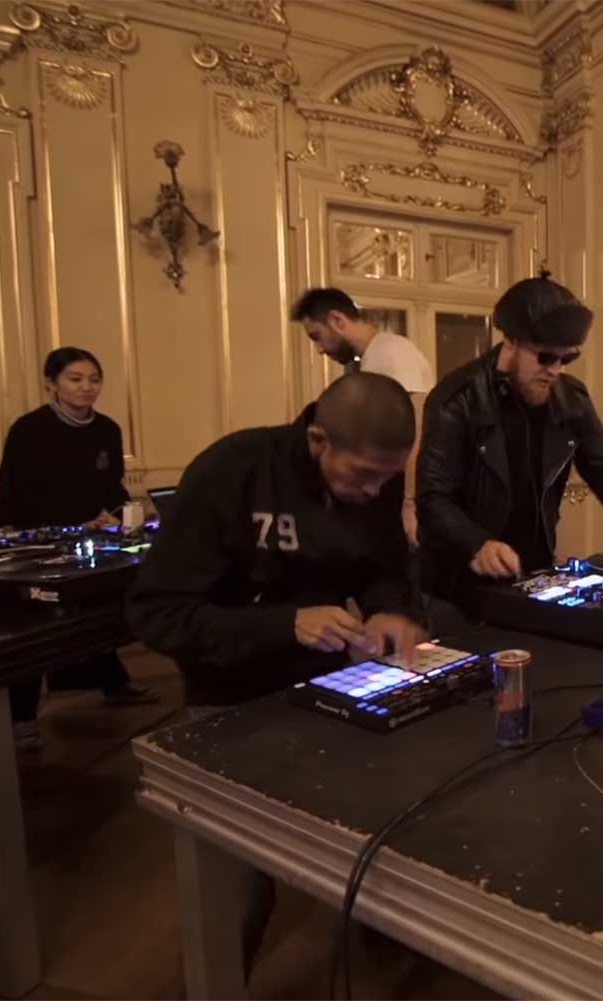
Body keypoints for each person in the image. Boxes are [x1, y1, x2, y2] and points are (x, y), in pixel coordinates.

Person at [127, 372, 426, 978]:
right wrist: (285, 624)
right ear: (318, 440)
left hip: (330, 687)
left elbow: (383, 565)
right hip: (230, 699)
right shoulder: (232, 471)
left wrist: (390, 608)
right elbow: (157, 615)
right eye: (363, 476)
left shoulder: (375, 476)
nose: (375, 492)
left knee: (374, 833)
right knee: (236, 887)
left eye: (387, 479)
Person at [417, 273, 603, 602]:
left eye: (567, 359)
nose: (556, 369)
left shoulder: (571, 397)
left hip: (534, 570)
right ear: (511, 343)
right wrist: (476, 544)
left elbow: (600, 463)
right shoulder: (456, 399)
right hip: (459, 580)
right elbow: (433, 498)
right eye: (545, 357)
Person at [0, 346, 156, 753]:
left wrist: (121, 514)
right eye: (75, 379)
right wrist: (72, 524)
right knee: (33, 628)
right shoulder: (29, 429)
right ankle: (20, 717)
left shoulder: (106, 429)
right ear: (52, 383)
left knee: (100, 608)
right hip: (37, 538)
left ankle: (110, 679)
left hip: (93, 535)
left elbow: (110, 486)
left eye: (94, 380)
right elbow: (14, 494)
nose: (87, 388)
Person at [294, 287, 436, 546]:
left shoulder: (392, 353)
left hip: (398, 496)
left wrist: (410, 503)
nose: (319, 349)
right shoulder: (371, 358)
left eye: (316, 336)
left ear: (337, 320)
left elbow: (419, 430)